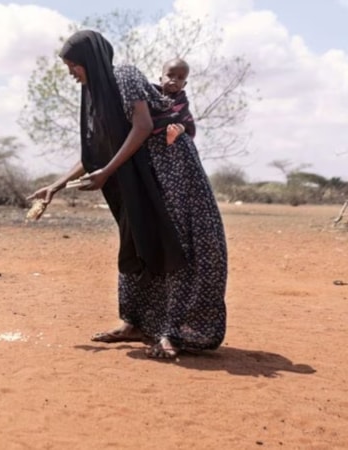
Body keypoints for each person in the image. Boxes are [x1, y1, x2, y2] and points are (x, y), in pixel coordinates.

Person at [28, 30, 227, 359]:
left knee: (174, 241)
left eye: (74, 65)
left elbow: (143, 126)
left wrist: (107, 173)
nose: (70, 73)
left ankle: (177, 330)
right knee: (135, 240)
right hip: (140, 176)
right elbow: (98, 150)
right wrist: (57, 184)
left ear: (91, 60)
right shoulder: (97, 96)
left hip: (173, 170)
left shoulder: (125, 75)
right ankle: (135, 322)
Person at [152, 58, 195, 146]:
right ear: (161, 79)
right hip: (152, 130)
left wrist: (178, 128)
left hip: (173, 128)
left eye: (180, 78)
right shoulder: (151, 94)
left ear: (184, 84)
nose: (174, 80)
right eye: (170, 75)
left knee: (182, 126)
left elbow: (187, 120)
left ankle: (172, 136)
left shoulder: (181, 102)